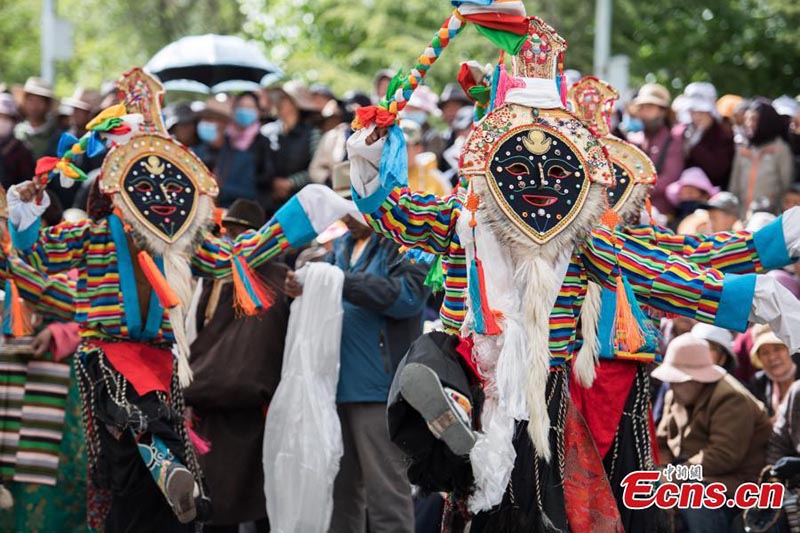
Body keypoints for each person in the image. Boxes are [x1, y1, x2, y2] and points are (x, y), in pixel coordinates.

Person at [346, 11, 800, 532]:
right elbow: (390, 211)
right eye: (517, 167)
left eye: (560, 170)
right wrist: (369, 151)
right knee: (478, 493)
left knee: (538, 509)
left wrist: (761, 285)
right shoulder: (463, 219)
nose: (538, 181)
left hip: (567, 389)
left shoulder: (592, 237)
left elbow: (674, 271)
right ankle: (445, 402)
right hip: (481, 378)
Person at [4, 69, 359, 531]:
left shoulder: (167, 239)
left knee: (145, 482)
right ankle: (165, 465)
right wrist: (298, 215)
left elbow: (233, 256)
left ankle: (168, 472)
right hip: (111, 358)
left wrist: (304, 210)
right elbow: (34, 254)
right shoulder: (111, 237)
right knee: (141, 442)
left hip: (157, 362)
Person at [285, 190, 429, 533]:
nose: (345, 218)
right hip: (336, 388)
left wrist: (339, 281)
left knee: (386, 498)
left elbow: (407, 298)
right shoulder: (344, 246)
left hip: (378, 391)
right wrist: (306, 284)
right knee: (340, 496)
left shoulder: (406, 242)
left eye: (349, 208)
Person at [184, 199, 290, 533]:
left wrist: (199, 380)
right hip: (209, 402)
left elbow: (257, 346)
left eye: (239, 233)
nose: (231, 239)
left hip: (250, 404)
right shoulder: (213, 275)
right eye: (227, 231)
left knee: (259, 500)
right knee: (217, 503)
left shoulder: (274, 276)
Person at [654, 333, 772, 532]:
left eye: (677, 378)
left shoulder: (731, 398)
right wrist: (662, 473)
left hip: (736, 482)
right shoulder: (675, 395)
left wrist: (674, 476)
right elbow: (662, 442)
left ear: (696, 379)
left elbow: (722, 456)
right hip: (691, 474)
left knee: (694, 496)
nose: (671, 384)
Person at [194, 94, 272, 210]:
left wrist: (219, 188)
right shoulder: (193, 154)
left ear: (224, 124)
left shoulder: (243, 159)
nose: (205, 123)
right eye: (204, 119)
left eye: (211, 119)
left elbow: (249, 194)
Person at [262, 81, 322, 213]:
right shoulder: (267, 132)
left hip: (301, 203)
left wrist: (290, 183)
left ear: (296, 103)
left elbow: (317, 169)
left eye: (284, 99)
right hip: (268, 202)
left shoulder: (312, 133)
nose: (278, 102)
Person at [729, 99, 794, 217]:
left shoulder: (780, 149)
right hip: (742, 215)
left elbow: (786, 184)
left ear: (766, 121)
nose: (749, 124)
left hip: (769, 217)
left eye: (754, 119)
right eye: (747, 119)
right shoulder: (743, 148)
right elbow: (734, 185)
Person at [628, 83, 685, 218]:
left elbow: (670, 177)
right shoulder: (634, 139)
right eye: (642, 107)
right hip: (632, 208)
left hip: (661, 213)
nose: (645, 111)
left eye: (650, 107)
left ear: (662, 111)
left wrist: (638, 190)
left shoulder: (673, 141)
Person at [682, 82, 736, 190]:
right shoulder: (684, 132)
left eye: (701, 112)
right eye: (692, 112)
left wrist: (695, 146)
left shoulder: (724, 136)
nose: (696, 117)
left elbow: (717, 170)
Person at [749, 324, 800, 419]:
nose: (772, 357)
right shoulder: (758, 383)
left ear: (789, 350)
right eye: (765, 353)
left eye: (777, 349)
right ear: (759, 358)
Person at [14, 77, 60, 159]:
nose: (34, 106)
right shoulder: (17, 132)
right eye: (30, 100)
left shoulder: (56, 135)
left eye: (39, 101)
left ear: (47, 105)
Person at [401, 120, 451, 196]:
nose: (399, 152)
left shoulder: (435, 179)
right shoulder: (382, 176)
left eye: (405, 146)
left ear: (418, 148)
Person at [0, 93, 34, 190]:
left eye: (6, 118)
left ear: (14, 121)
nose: (1, 121)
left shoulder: (22, 150)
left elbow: (26, 183)